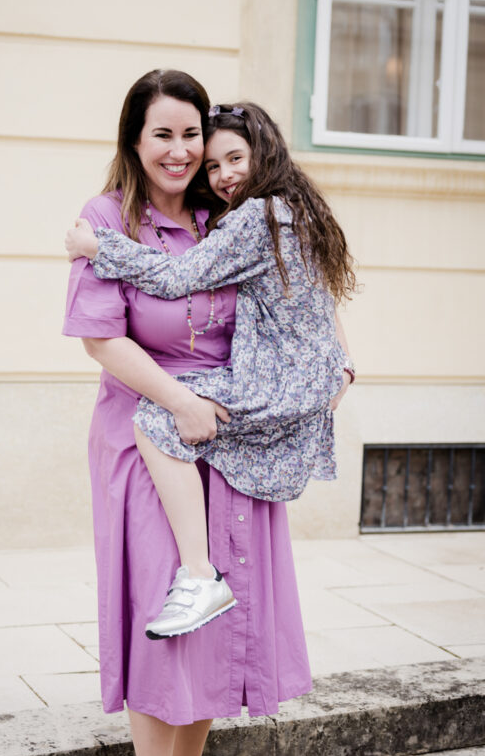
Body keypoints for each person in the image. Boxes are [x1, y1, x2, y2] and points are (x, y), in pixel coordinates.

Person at [62, 71, 335, 756]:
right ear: (135, 141)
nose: (184, 154)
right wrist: (178, 402)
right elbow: (102, 340)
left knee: (223, 609)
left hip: (231, 428)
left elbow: (300, 290)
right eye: (165, 136)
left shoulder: (231, 207)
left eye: (194, 137)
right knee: (167, 613)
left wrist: (338, 360)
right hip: (151, 430)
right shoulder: (109, 218)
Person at [65, 102, 356, 644]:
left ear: (264, 154)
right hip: (307, 376)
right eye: (215, 165)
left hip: (281, 377)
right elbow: (321, 297)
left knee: (157, 418)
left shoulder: (254, 218)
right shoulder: (296, 210)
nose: (224, 175)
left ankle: (200, 576)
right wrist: (343, 365)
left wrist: (97, 246)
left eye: (236, 159)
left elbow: (177, 276)